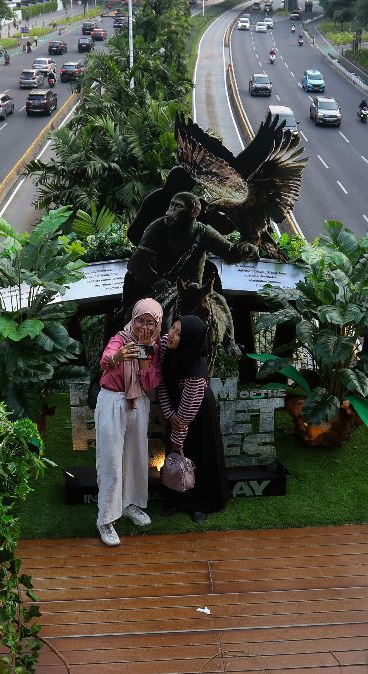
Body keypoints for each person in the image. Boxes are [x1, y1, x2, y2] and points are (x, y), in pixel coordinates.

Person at [122, 192, 258, 323]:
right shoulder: (158, 227)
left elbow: (229, 253)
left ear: (194, 212)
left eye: (178, 206)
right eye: (172, 204)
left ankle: (230, 343)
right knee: (132, 316)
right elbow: (136, 263)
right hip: (164, 289)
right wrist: (155, 281)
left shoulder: (203, 232)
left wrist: (246, 249)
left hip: (195, 291)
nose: (171, 210)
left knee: (222, 309)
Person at [94, 298, 164, 547]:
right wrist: (118, 358)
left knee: (136, 457)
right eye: (139, 320)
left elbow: (149, 383)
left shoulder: (154, 348)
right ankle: (105, 519)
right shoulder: (121, 338)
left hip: (138, 403)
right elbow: (106, 360)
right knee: (110, 460)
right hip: (113, 401)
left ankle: (130, 504)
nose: (143, 326)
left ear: (157, 325)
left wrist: (145, 353)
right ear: (132, 318)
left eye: (150, 322)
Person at [156, 315, 228, 523]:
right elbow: (160, 381)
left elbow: (184, 419)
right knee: (173, 459)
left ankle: (200, 504)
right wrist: (170, 414)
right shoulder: (164, 345)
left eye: (179, 334)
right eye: (173, 329)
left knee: (198, 455)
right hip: (174, 408)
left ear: (189, 339)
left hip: (197, 412)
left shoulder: (195, 372)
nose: (171, 335)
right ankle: (174, 500)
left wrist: (177, 433)